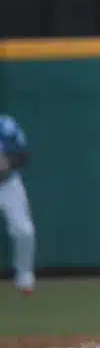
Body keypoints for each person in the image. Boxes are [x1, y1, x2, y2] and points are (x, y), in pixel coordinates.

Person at [0, 114, 36, 295]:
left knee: (24, 231)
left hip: (7, 184)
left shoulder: (6, 125)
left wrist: (8, 162)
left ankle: (24, 278)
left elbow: (23, 156)